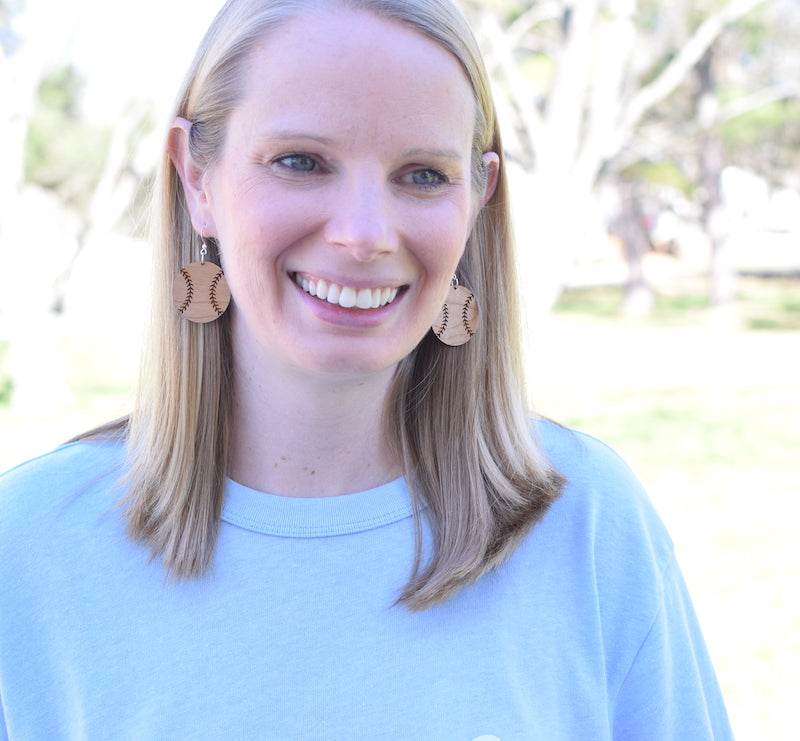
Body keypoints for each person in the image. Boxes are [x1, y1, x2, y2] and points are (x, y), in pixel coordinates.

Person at [0, 0, 733, 738]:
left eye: (421, 174)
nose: (363, 234)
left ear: (478, 197)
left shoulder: (589, 528)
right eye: (300, 162)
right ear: (196, 177)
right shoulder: (28, 548)